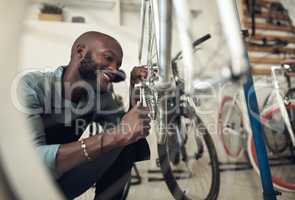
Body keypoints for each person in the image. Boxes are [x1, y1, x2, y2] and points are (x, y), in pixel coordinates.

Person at [17, 31, 151, 200]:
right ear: (80, 52)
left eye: (118, 65)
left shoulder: (99, 96)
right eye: (108, 58)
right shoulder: (31, 86)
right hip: (23, 186)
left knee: (127, 142)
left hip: (60, 185)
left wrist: (135, 89)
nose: (115, 70)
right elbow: (32, 165)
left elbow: (127, 130)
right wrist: (114, 137)